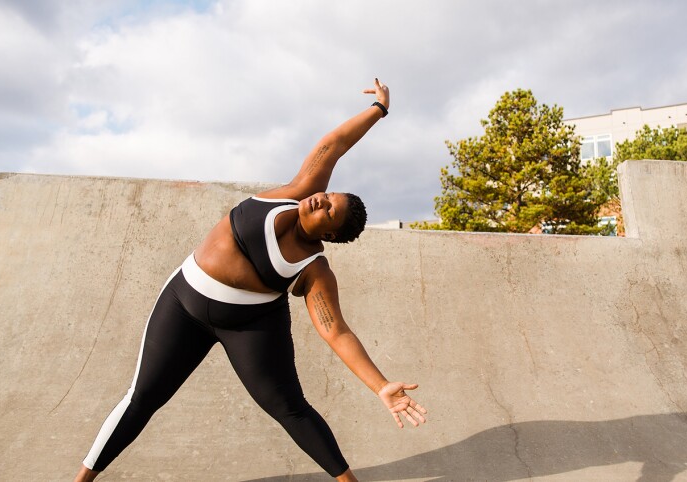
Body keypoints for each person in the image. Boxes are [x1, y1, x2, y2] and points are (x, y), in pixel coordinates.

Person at [74, 79, 426, 482]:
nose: (321, 200)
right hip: (184, 301)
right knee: (143, 398)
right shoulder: (299, 190)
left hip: (251, 325)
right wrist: (378, 110)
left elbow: (337, 332)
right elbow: (336, 143)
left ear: (329, 235)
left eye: (328, 210)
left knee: (289, 407)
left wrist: (381, 386)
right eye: (330, 196)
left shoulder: (314, 269)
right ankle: (81, 480)